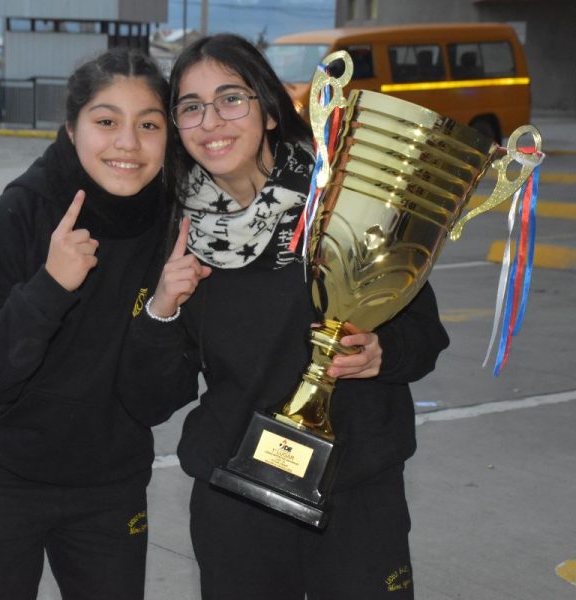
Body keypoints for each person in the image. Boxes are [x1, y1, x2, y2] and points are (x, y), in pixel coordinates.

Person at [119, 34, 450, 600]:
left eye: (231, 98)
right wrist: (161, 310)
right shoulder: (178, 231)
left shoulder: (343, 199)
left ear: (270, 110)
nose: (211, 120)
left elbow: (425, 334)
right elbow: (149, 398)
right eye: (191, 106)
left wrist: (381, 353)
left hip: (356, 491)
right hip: (236, 495)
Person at [0, 47, 170, 600]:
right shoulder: (22, 212)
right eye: (106, 121)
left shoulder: (173, 228)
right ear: (71, 127)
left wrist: (163, 310)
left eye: (148, 124)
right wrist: (49, 288)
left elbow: (158, 400)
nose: (127, 142)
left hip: (108, 485)